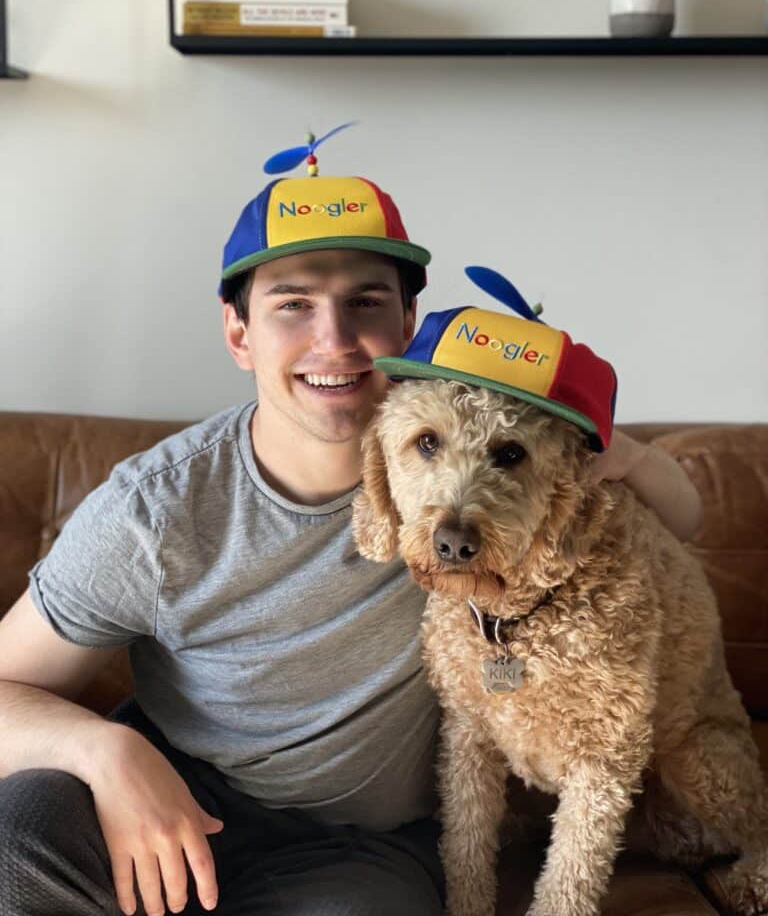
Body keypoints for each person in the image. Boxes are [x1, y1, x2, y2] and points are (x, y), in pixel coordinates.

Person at [0, 153, 701, 916]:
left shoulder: (486, 483)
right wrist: (104, 749)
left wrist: (615, 449)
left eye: (364, 303)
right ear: (239, 334)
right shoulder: (154, 510)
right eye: (293, 305)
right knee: (14, 846)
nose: (333, 339)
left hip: (362, 850)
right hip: (172, 797)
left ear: (407, 326)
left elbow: (680, 518)